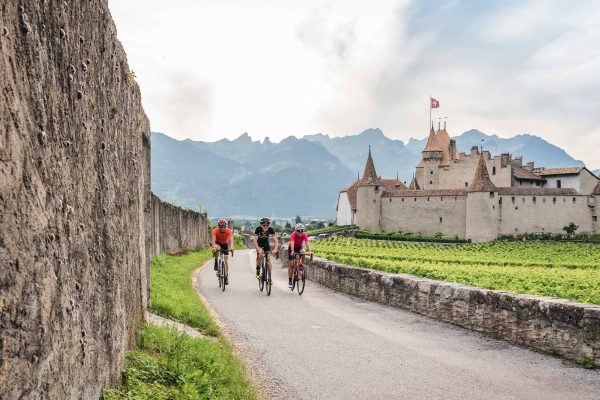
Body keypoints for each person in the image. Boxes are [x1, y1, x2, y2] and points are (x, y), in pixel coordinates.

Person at [253, 217, 278, 282]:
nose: (265, 227)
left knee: (268, 260)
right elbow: (255, 240)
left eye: (267, 225)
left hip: (266, 244)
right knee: (260, 255)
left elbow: (276, 241)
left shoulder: (271, 229)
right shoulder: (258, 229)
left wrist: (275, 249)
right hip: (259, 244)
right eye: (264, 225)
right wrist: (258, 249)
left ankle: (269, 278)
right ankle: (258, 269)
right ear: (261, 225)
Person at [287, 223, 312, 288]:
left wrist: (310, 251)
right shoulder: (293, 234)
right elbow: (292, 243)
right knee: (291, 265)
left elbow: (307, 243)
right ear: (296, 230)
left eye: (302, 230)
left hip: (299, 247)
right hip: (292, 247)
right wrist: (292, 251)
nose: (300, 232)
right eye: (298, 231)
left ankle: (300, 265)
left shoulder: (304, 235)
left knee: (303, 252)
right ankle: (290, 280)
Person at [212, 219, 234, 285]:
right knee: (217, 249)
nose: (223, 228)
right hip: (217, 243)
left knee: (226, 260)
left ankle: (226, 276)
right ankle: (216, 261)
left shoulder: (228, 231)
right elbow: (213, 241)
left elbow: (231, 241)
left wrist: (232, 248)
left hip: (225, 244)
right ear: (218, 226)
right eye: (221, 227)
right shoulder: (215, 230)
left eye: (224, 226)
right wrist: (214, 247)